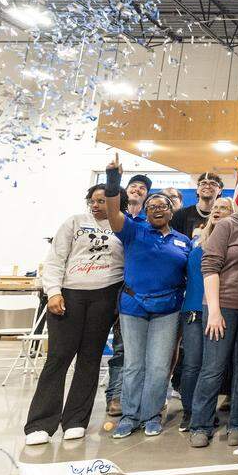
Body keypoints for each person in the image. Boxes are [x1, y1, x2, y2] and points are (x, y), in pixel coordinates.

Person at [24, 184, 126, 444]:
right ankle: (40, 423)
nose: (95, 205)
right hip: (69, 295)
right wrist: (53, 292)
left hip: (104, 295)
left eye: (102, 201)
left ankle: (75, 420)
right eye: (92, 200)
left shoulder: (123, 226)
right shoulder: (74, 222)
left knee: (90, 359)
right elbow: (56, 258)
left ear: (114, 203)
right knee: (58, 357)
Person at [103, 155, 191, 438]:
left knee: (158, 366)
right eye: (151, 206)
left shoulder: (183, 241)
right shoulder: (132, 229)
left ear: (170, 211)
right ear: (146, 211)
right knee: (134, 364)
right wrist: (114, 180)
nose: (156, 209)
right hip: (133, 306)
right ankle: (129, 416)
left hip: (168, 310)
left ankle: (151, 414)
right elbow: (113, 210)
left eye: (161, 206)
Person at [186, 183, 238, 447]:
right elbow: (209, 266)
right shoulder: (226, 225)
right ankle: (200, 424)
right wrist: (214, 311)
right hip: (221, 305)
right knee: (213, 367)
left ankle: (237, 424)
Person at [175, 196, 235, 433]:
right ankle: (190, 412)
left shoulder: (234, 243)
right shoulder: (196, 241)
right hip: (193, 309)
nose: (218, 210)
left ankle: (205, 412)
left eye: (225, 208)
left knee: (212, 366)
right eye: (216, 208)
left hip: (219, 310)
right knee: (192, 364)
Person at [104, 172, 154, 415]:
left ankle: (123, 397)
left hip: (134, 293)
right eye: (133, 186)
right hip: (106, 287)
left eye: (143, 188)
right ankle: (114, 393)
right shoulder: (110, 218)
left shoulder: (149, 223)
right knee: (120, 350)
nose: (137, 190)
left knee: (127, 347)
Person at [171, 172, 225, 238]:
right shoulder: (181, 215)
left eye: (213, 184)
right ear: (197, 189)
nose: (207, 186)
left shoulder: (224, 217)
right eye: (203, 183)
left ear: (220, 191)